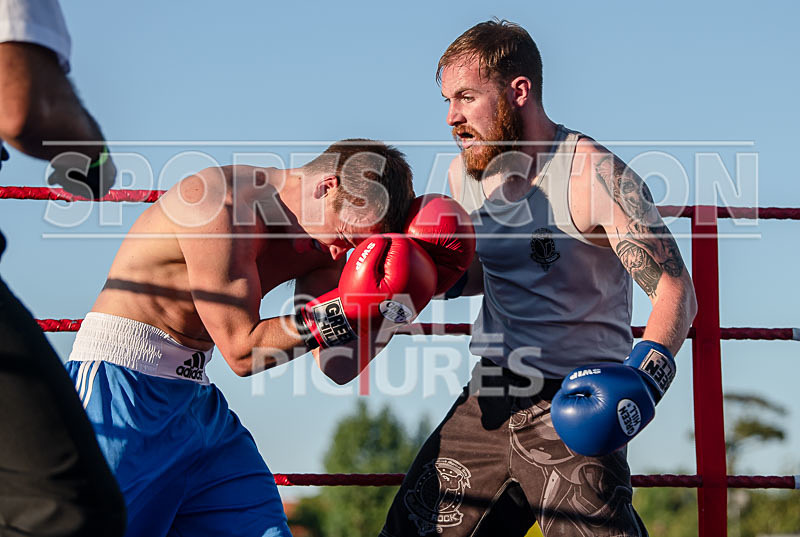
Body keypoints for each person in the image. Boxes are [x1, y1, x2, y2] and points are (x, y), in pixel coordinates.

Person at [380, 20, 698, 537]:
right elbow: (482, 270)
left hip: (574, 404)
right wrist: (421, 276)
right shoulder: (466, 173)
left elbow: (674, 288)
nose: (451, 117)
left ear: (518, 90)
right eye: (447, 100)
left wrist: (644, 376)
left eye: (465, 97)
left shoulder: (593, 173)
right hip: (488, 394)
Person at [64, 140, 444, 537]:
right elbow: (242, 352)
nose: (340, 256)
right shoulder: (217, 203)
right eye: (347, 239)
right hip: (120, 388)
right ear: (326, 186)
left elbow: (338, 365)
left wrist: (395, 306)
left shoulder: (324, 243)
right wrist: (347, 308)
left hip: (196, 405)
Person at [0, 1, 125, 535]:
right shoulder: (223, 202)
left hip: (198, 404)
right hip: (129, 378)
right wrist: (95, 160)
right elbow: (26, 108)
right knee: (68, 510)